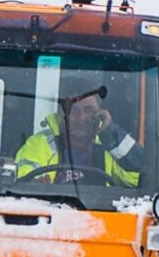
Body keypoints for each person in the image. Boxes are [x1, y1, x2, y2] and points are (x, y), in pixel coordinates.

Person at [14, 81, 145, 189]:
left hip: (101, 216)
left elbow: (139, 177)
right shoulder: (40, 143)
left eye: (88, 110)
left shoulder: (110, 148)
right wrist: (35, 184)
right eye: (74, 110)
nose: (81, 117)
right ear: (62, 114)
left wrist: (111, 132)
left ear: (99, 114)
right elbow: (22, 177)